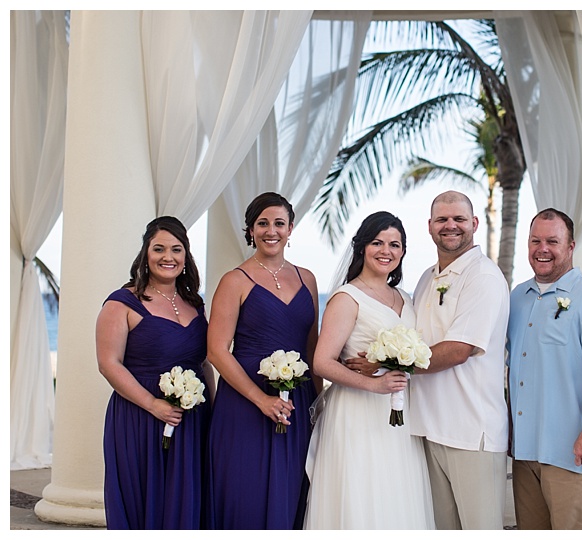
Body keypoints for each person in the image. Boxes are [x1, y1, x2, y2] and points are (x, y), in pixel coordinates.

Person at [304, 211, 435, 529]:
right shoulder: (348, 297)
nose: (386, 251)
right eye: (377, 242)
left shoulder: (406, 297)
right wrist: (374, 384)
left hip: (399, 415)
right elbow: (322, 362)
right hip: (357, 412)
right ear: (362, 247)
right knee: (361, 494)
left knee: (397, 494)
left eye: (395, 244)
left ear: (403, 251)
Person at [205, 192, 320, 529]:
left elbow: (311, 347)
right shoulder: (234, 281)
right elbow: (216, 351)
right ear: (251, 230)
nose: (272, 231)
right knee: (246, 492)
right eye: (263, 224)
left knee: (292, 487)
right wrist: (261, 399)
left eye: (279, 223)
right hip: (245, 402)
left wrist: (317, 403)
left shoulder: (307, 279)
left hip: (296, 403)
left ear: (291, 228)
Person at [507, 208, 582, 530]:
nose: (542, 249)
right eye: (535, 240)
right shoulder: (517, 298)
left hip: (569, 453)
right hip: (524, 452)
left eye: (552, 241)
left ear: (571, 247)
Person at [98, 216, 214, 529]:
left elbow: (203, 362)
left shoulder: (195, 304)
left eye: (176, 250)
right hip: (140, 415)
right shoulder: (122, 302)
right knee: (144, 497)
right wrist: (153, 405)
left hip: (191, 417)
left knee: (187, 498)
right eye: (159, 249)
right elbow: (108, 363)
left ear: (185, 257)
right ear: (145, 255)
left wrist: (212, 412)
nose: (168, 257)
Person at [408, 190, 510, 530]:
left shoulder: (483, 276)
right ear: (430, 226)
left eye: (459, 219)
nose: (450, 226)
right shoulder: (426, 278)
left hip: (471, 431)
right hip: (429, 428)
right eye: (442, 219)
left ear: (474, 224)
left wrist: (392, 365)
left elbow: (458, 349)